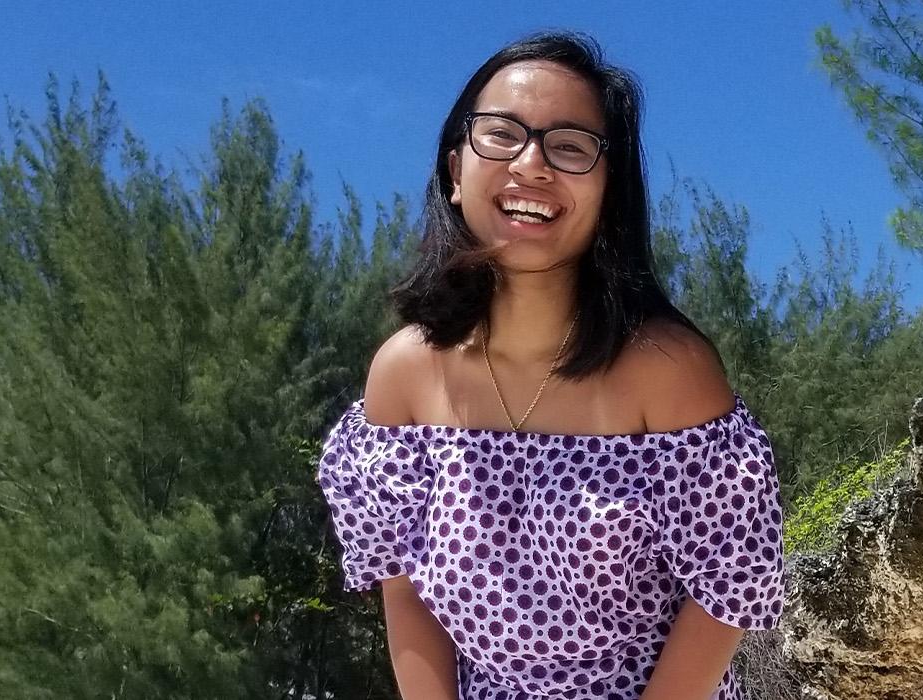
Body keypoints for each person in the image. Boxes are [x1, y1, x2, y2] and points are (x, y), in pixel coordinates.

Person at [315, 31, 786, 700]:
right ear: (455, 173)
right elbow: (406, 592)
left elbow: (727, 588)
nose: (531, 165)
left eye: (569, 146)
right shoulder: (404, 376)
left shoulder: (666, 369)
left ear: (607, 191)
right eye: (501, 134)